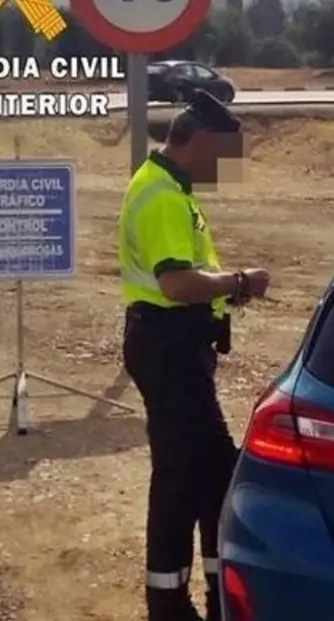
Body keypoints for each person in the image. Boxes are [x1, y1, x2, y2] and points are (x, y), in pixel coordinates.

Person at [116, 89, 270, 621]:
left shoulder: (171, 188)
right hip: (168, 347)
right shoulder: (160, 195)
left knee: (199, 475)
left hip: (177, 346)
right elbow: (178, 283)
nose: (228, 167)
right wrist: (243, 282)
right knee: (197, 476)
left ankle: (200, 593)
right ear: (200, 141)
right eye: (226, 153)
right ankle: (172, 602)